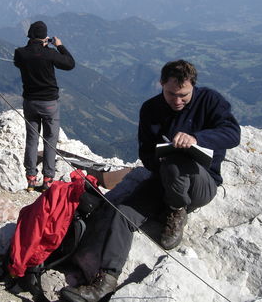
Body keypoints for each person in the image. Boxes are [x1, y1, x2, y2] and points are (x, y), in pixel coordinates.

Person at [60, 60, 241, 302]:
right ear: (161, 84)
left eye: (184, 95)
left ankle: (176, 211)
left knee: (176, 162)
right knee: (122, 212)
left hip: (202, 181)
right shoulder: (151, 109)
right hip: (163, 178)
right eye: (171, 94)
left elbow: (232, 133)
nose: (177, 101)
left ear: (193, 87)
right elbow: (146, 155)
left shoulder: (210, 101)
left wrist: (197, 139)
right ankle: (104, 281)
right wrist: (161, 160)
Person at [14, 21, 75, 192]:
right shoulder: (50, 54)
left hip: (30, 103)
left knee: (32, 140)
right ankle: (48, 180)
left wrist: (36, 44)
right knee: (50, 141)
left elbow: (19, 61)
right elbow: (70, 64)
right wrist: (59, 46)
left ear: (30, 36)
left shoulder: (20, 53)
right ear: (45, 37)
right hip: (49, 103)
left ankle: (31, 179)